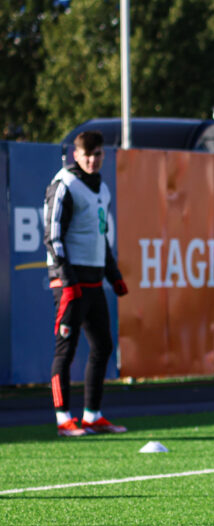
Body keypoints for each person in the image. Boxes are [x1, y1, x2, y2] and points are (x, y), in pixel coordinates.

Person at [43, 130, 129, 437]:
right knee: (66, 349)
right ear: (75, 155)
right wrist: (67, 280)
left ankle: (93, 415)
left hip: (93, 280)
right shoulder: (64, 184)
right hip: (70, 282)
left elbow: (101, 237)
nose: (92, 160)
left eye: (98, 155)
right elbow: (52, 237)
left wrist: (114, 275)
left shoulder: (102, 189)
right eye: (87, 155)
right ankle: (63, 418)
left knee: (103, 345)